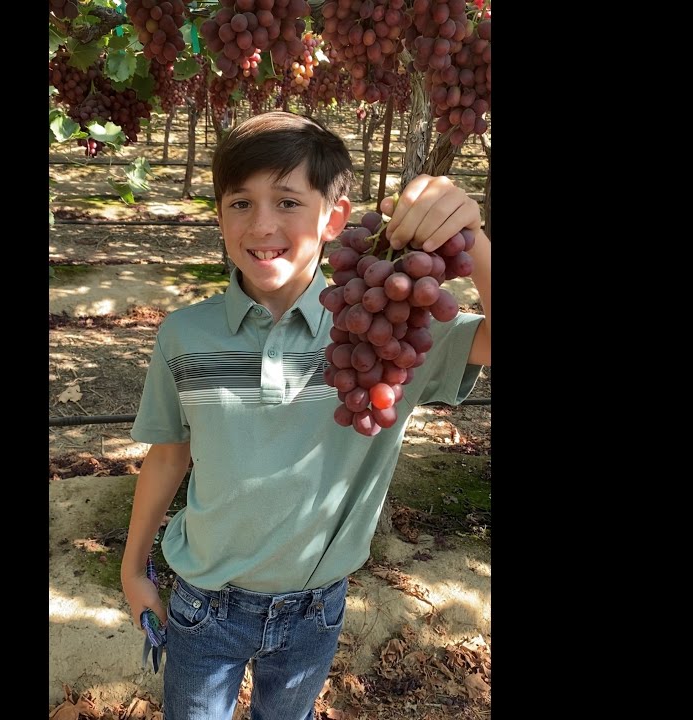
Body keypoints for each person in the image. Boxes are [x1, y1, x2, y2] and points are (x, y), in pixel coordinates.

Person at [120, 111, 491, 720]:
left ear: (334, 219)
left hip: (315, 610)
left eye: (288, 201)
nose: (262, 224)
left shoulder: (388, 333)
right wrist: (135, 569)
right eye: (240, 202)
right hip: (201, 603)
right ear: (218, 216)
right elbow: (168, 454)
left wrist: (471, 235)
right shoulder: (184, 335)